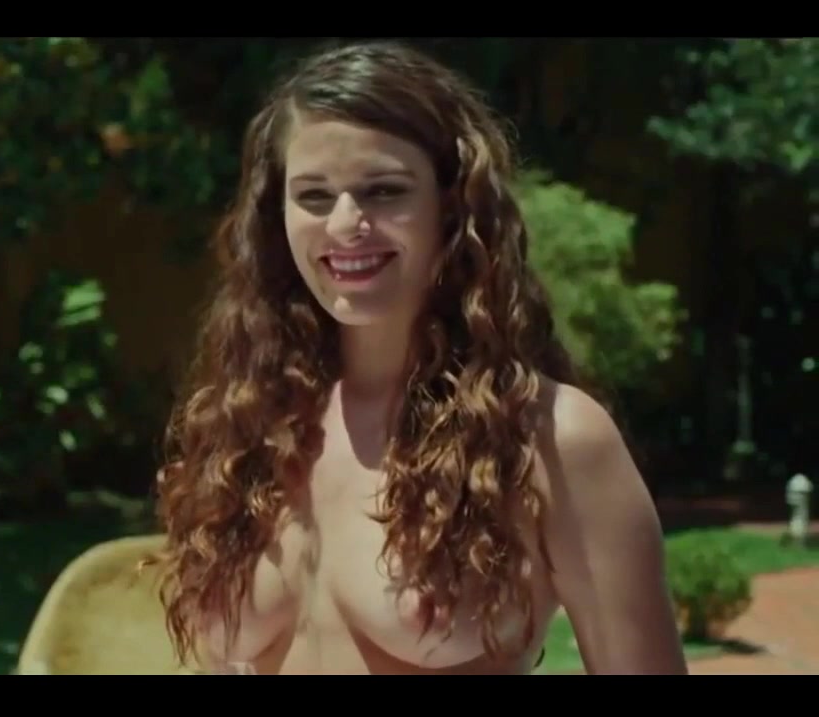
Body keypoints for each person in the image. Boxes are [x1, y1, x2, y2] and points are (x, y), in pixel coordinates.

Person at [150, 40, 687, 675]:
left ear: (454, 207)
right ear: (276, 215)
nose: (345, 224)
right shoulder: (244, 426)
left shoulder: (549, 439)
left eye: (383, 190)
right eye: (313, 195)